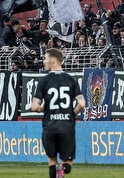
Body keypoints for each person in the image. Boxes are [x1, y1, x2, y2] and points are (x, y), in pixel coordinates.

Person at [32, 48, 85, 178]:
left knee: (52, 161)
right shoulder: (71, 80)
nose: (43, 61)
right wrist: (71, 113)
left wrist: (45, 108)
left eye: (45, 58)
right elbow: (82, 103)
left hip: (49, 127)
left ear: (53, 61)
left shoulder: (44, 81)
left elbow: (34, 107)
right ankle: (64, 168)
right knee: (67, 162)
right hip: (66, 126)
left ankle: (57, 170)